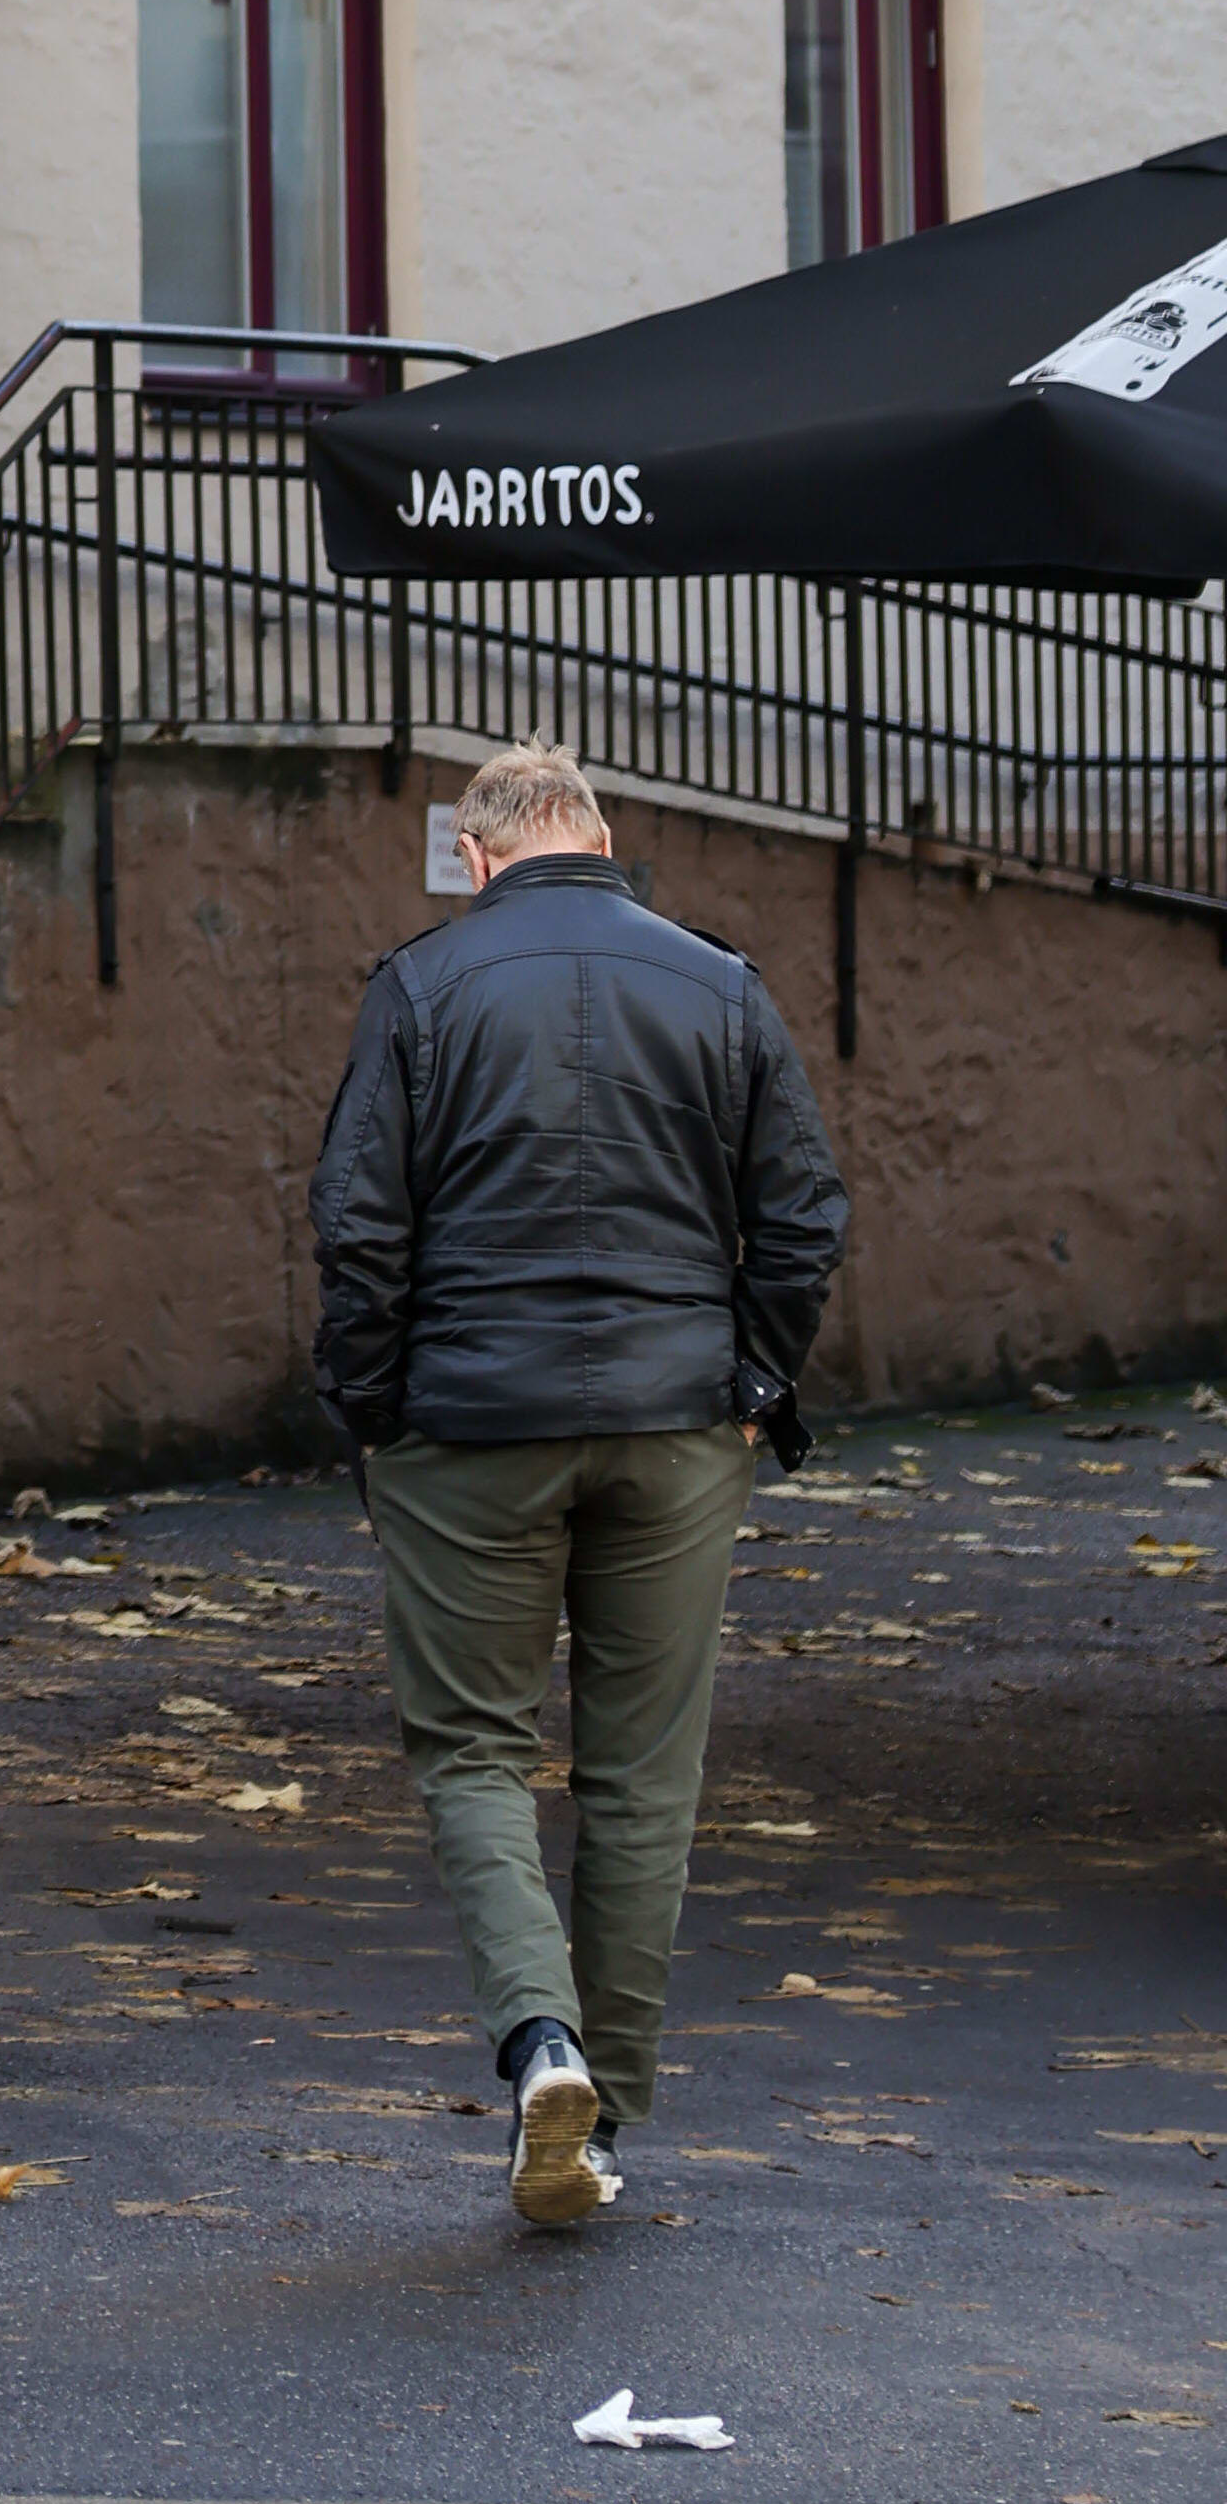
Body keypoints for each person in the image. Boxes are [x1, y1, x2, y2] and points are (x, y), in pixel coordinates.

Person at [313, 741, 846, 2232]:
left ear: (479, 857)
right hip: (677, 1424)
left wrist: (375, 1409)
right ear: (603, 844)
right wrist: (752, 1381)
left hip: (472, 1420)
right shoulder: (721, 986)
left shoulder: (421, 987)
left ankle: (540, 2040)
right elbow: (804, 1214)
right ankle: (600, 2119)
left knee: (474, 1752)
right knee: (644, 1776)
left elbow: (360, 1227)